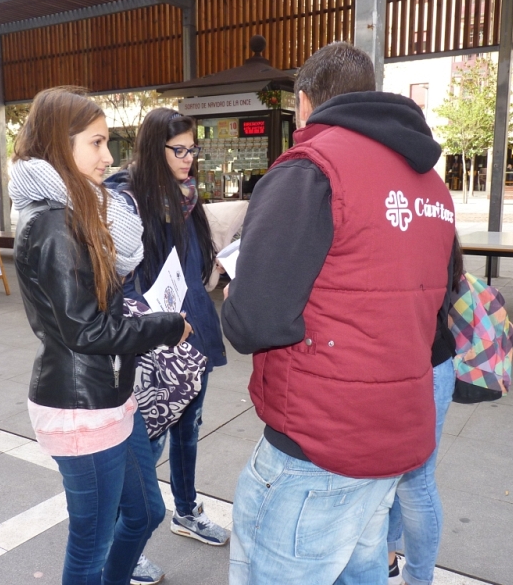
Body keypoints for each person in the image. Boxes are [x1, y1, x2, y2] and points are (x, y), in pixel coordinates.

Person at [221, 42, 456, 584]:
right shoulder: (430, 184)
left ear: (304, 103)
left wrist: (236, 299)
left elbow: (257, 321)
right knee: (361, 568)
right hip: (394, 434)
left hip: (317, 444)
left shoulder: (312, 168)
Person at [9, 86, 190, 585]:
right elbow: (87, 329)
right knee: (90, 545)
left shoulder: (80, 210)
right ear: (58, 144)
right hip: (80, 407)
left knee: (146, 513)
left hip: (111, 396)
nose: (108, 156)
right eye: (96, 142)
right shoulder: (52, 224)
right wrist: (166, 326)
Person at [106, 108, 229, 585]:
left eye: (192, 149)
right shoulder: (128, 200)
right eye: (179, 150)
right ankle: (128, 537)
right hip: (155, 340)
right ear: (153, 148)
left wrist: (216, 268)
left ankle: (186, 510)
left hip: (193, 327)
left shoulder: (187, 197)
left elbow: (195, 262)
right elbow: (120, 281)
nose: (188, 158)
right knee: (148, 442)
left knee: (189, 430)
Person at [387, 239, 462, 585]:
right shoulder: (434, 223)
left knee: (414, 481)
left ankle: (418, 577)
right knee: (398, 476)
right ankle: (389, 554)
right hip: (426, 364)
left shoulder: (418, 230)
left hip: (423, 367)